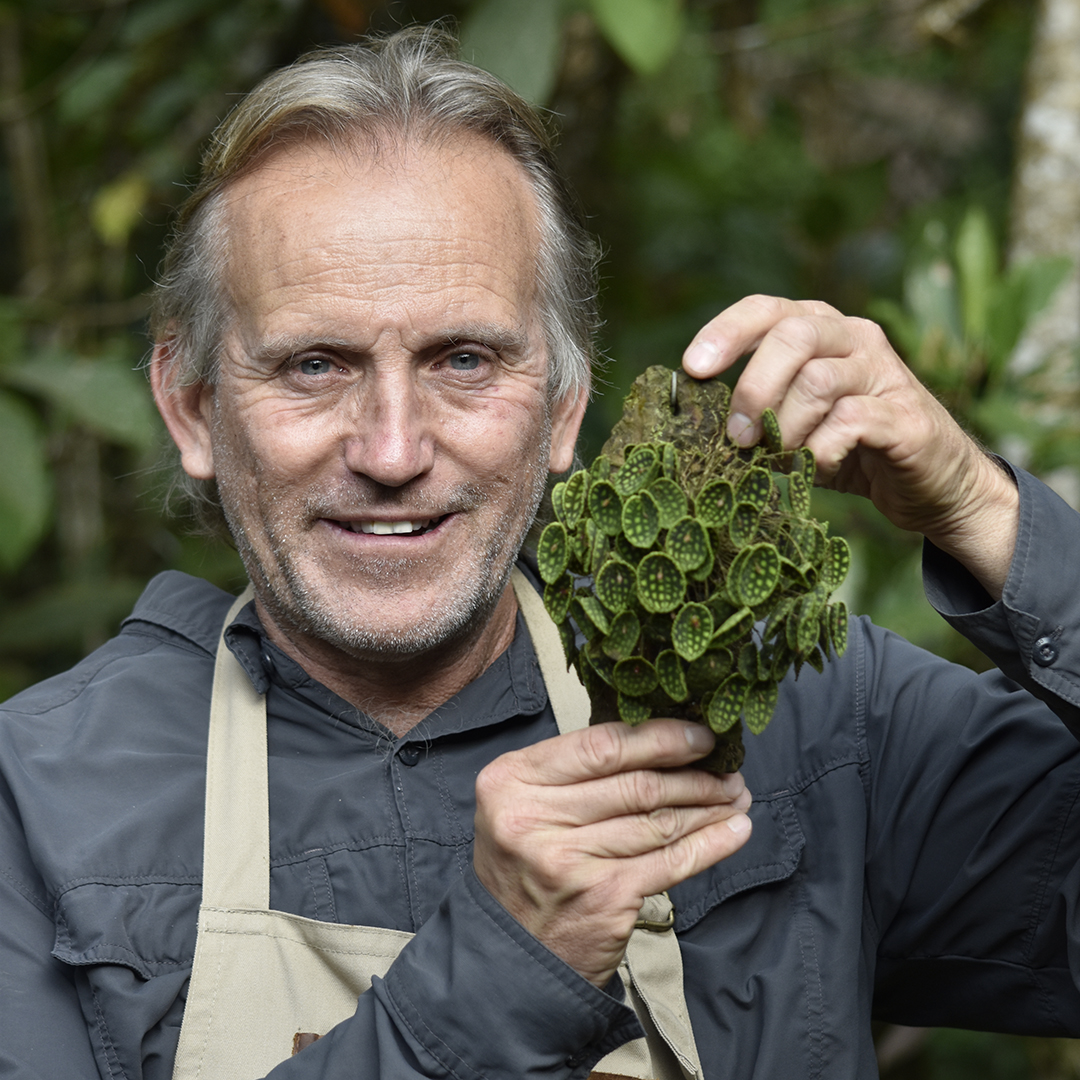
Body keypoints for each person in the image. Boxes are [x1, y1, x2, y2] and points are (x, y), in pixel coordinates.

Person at [2, 25, 1079, 1080]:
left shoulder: (804, 717)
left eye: (464, 359)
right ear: (193, 408)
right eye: (315, 364)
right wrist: (499, 975)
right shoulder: (40, 806)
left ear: (565, 407)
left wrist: (983, 511)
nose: (391, 449)